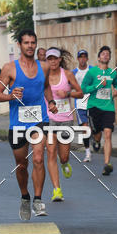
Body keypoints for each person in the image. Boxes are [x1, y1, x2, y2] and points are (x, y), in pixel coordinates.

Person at [0, 29, 53, 220]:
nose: (30, 46)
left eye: (33, 42)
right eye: (26, 43)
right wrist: (10, 96)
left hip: (39, 119)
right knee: (21, 165)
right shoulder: (9, 68)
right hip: (18, 123)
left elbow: (45, 87)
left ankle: (38, 199)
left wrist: (51, 102)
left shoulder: (44, 67)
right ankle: (25, 196)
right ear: (19, 45)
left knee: (38, 158)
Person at [44, 47, 82, 201]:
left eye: (55, 58)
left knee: (64, 156)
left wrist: (67, 93)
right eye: (49, 59)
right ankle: (56, 190)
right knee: (51, 153)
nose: (52, 61)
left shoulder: (67, 75)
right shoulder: (43, 77)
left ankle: (65, 162)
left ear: (60, 59)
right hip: (49, 119)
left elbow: (80, 92)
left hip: (66, 119)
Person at [81, 45, 117, 176]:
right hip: (94, 107)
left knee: (108, 134)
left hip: (108, 108)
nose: (105, 55)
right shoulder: (92, 73)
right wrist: (97, 85)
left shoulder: (112, 73)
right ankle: (96, 141)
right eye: (103, 54)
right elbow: (84, 88)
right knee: (97, 133)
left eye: (107, 54)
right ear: (98, 57)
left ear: (109, 58)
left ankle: (106, 164)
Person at [73, 49, 93, 162]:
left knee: (95, 129)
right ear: (78, 59)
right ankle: (88, 153)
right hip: (80, 104)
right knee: (85, 128)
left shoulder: (92, 70)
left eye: (85, 57)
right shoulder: (74, 73)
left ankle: (95, 139)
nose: (82, 59)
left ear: (87, 58)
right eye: (81, 57)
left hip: (92, 103)